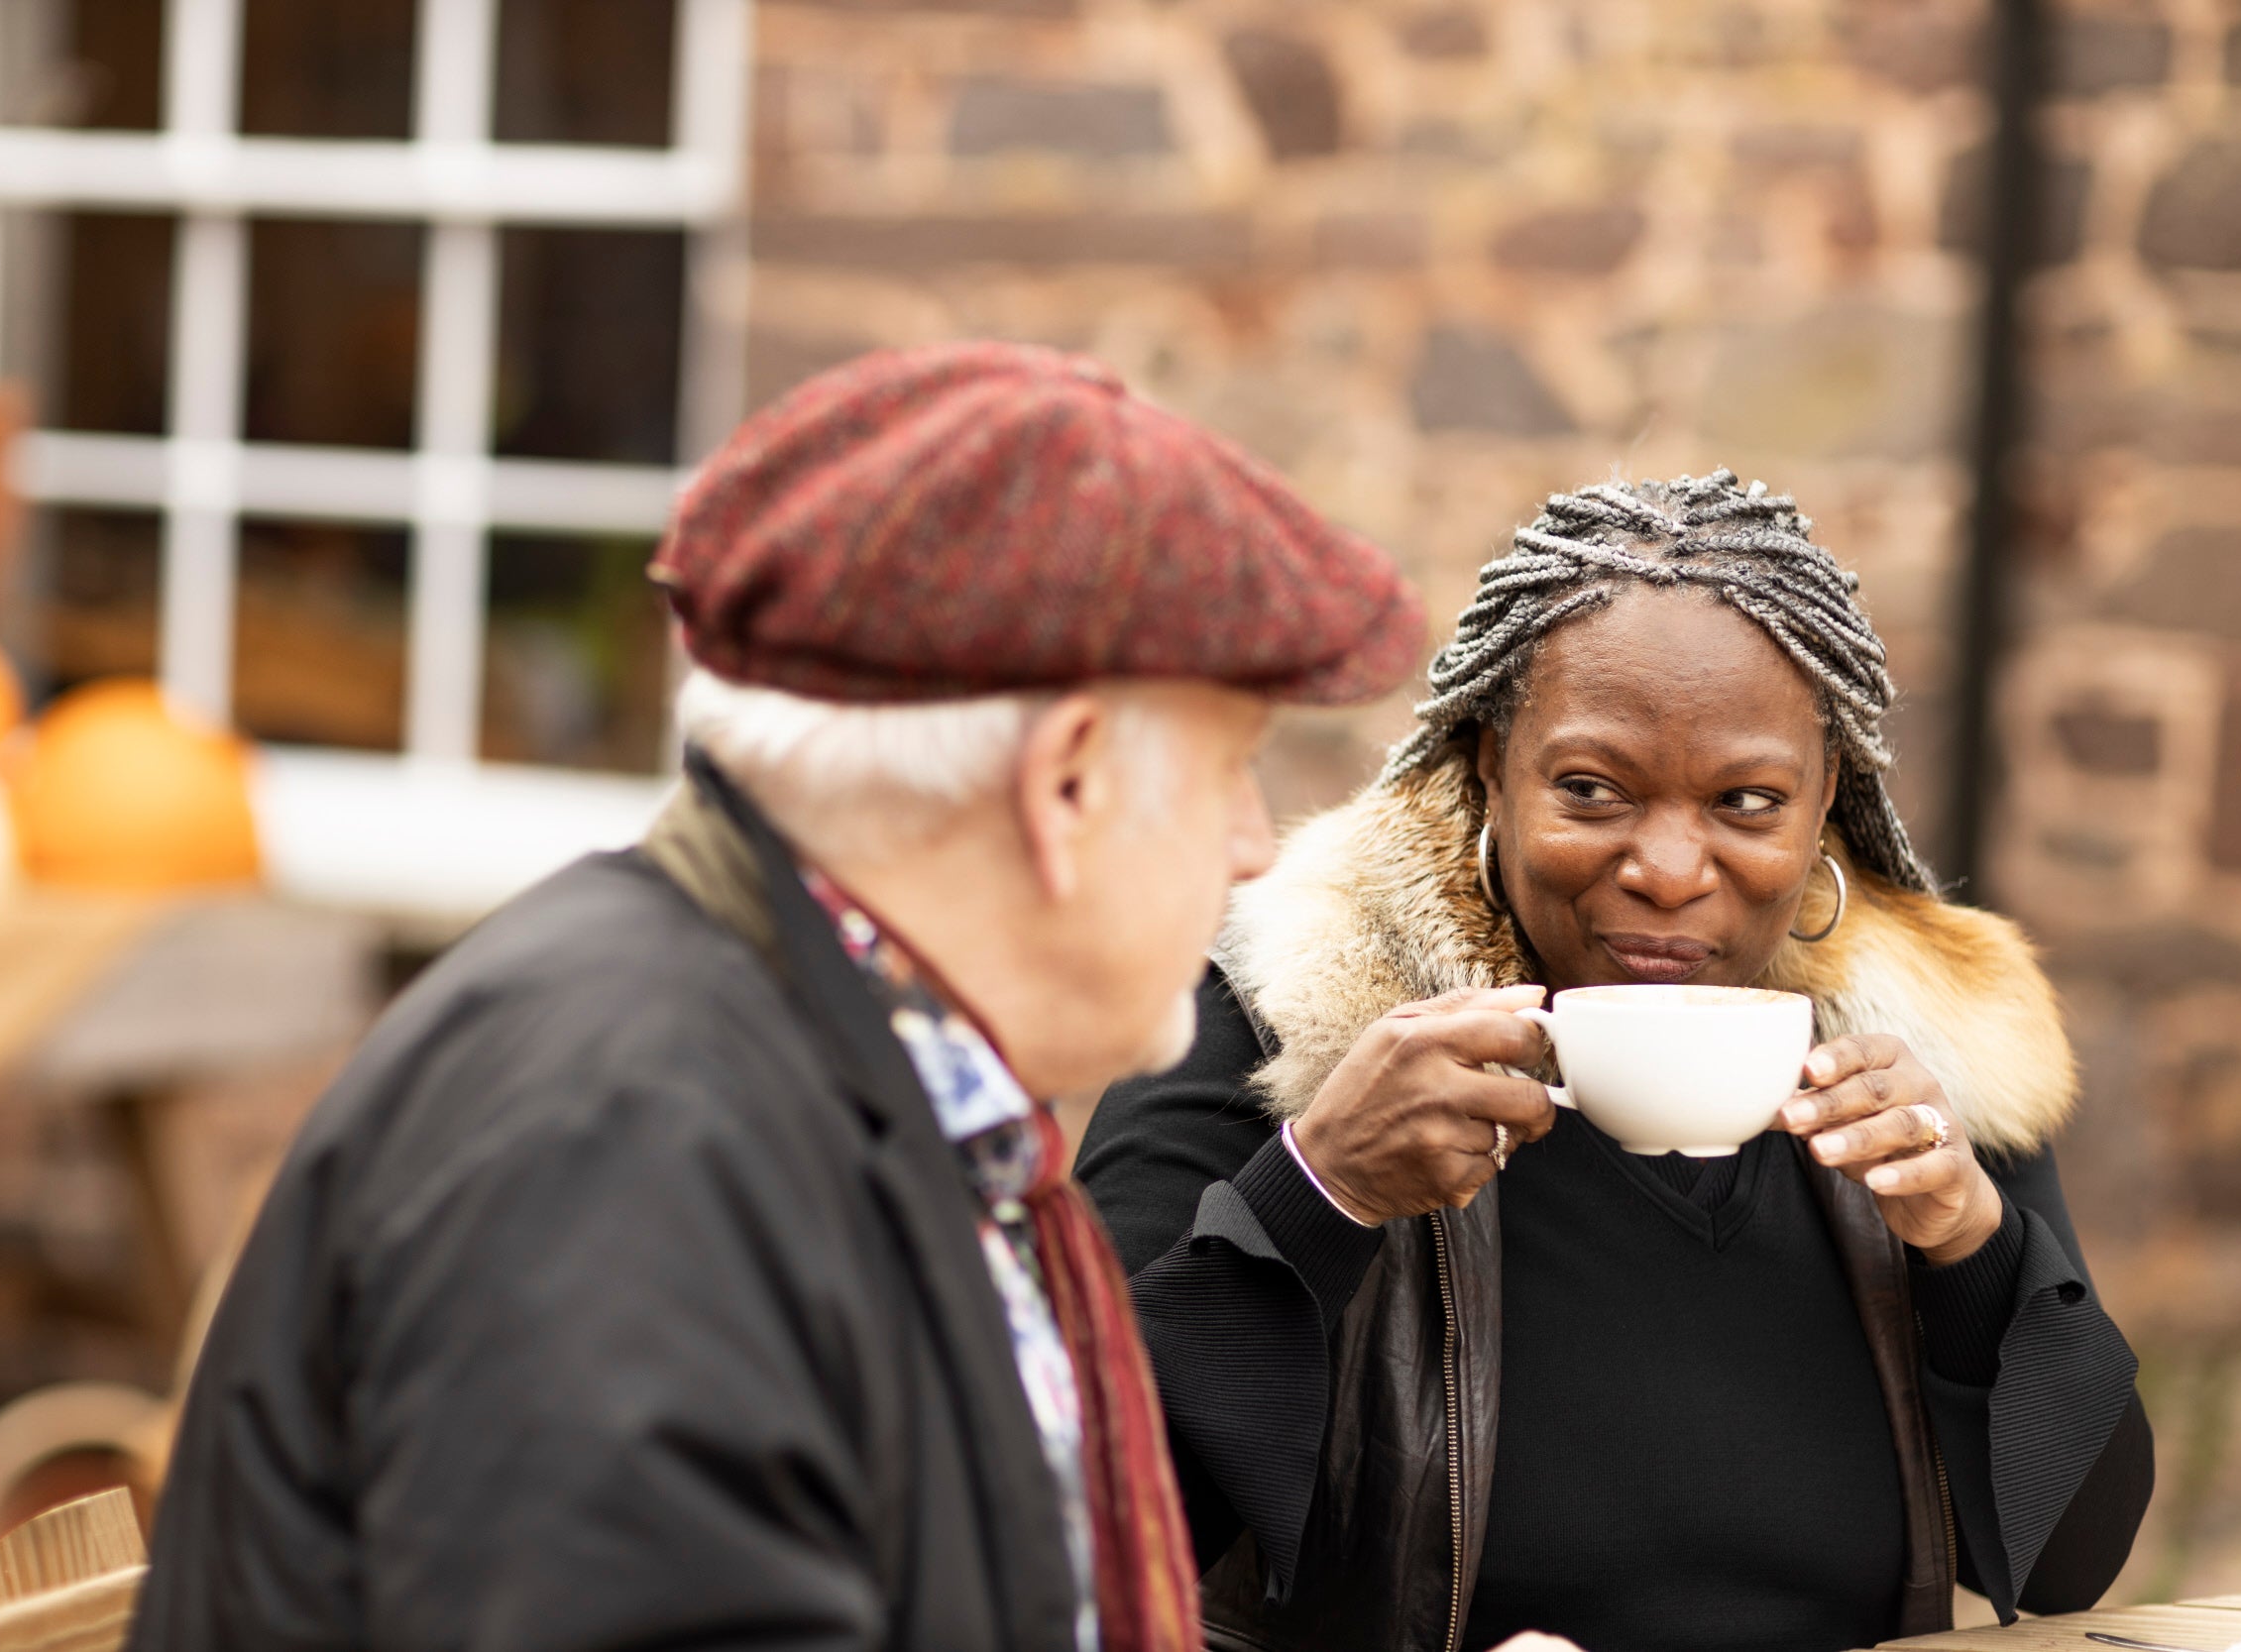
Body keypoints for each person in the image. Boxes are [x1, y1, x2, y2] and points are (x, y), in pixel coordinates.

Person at [124, 342, 1433, 1652]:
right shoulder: (629, 1140)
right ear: (1069, 782)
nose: (1253, 842)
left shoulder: (800, 1073)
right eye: (1230, 768)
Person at [1077, 472, 2155, 1652]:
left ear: (1823, 801)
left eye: (1747, 802)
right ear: (1489, 764)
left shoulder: (1927, 1048)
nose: (1669, 867)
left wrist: (1969, 1238)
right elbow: (1077, 1528)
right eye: (1592, 790)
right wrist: (1318, 1187)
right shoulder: (1280, 1012)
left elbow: (2072, 1561)